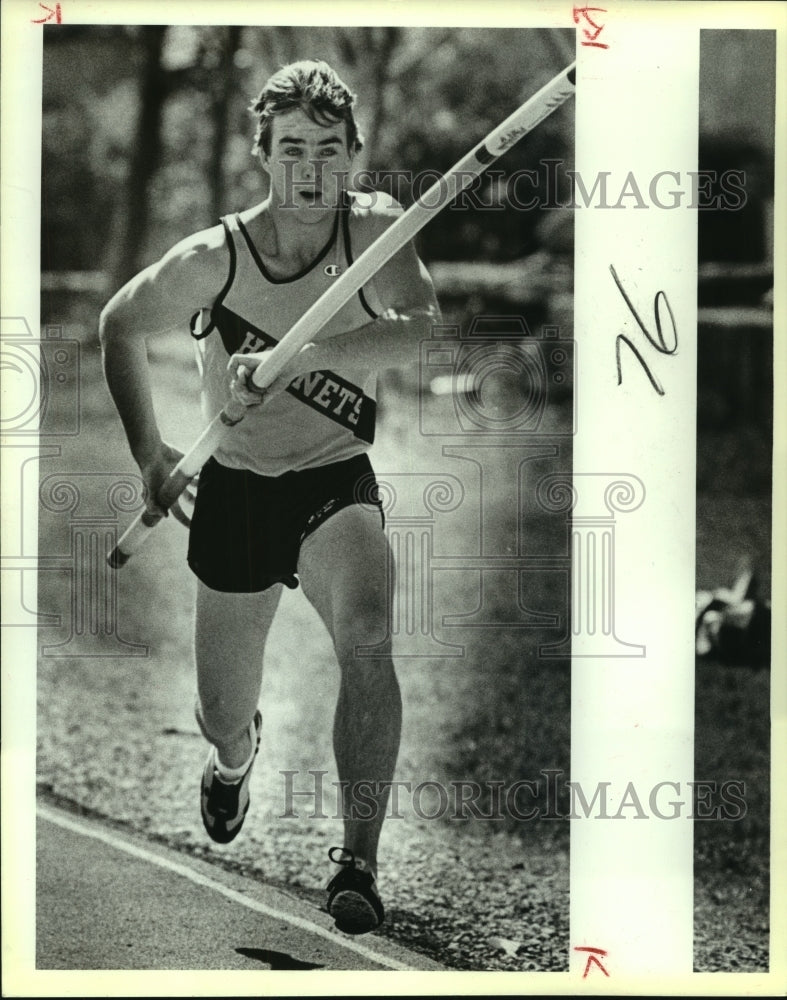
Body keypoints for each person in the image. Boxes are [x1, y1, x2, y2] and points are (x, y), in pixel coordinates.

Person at [100, 59, 440, 935]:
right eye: (292, 148)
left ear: (353, 156)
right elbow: (118, 326)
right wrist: (149, 451)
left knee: (368, 636)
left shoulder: (374, 232)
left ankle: (357, 864)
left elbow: (430, 331)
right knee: (219, 714)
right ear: (263, 154)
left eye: (329, 150)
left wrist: (314, 353)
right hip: (236, 490)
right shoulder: (218, 257)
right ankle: (232, 756)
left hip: (334, 481)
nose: (311, 169)